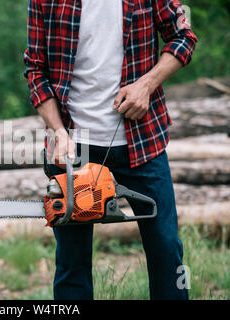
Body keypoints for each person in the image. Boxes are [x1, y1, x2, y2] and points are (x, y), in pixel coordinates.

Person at [23, 0, 198, 300]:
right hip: (74, 148)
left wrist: (146, 85)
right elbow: (35, 69)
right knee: (71, 263)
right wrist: (58, 132)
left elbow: (184, 38)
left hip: (143, 142)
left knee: (167, 249)